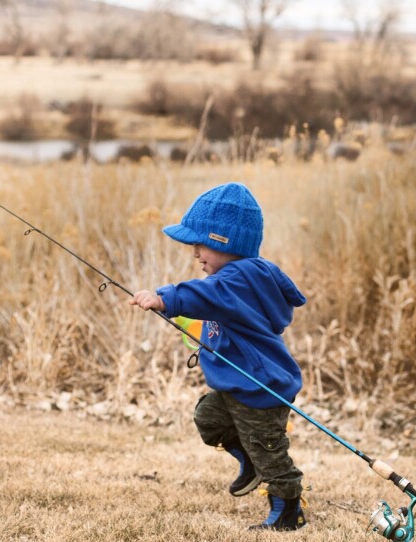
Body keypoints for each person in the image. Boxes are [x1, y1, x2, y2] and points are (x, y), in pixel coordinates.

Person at [129, 182, 307, 531]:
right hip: (238, 387)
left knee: (270, 451)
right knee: (208, 419)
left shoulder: (239, 277)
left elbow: (203, 294)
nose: (195, 253)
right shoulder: (237, 280)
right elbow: (210, 303)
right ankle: (252, 462)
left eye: (200, 244)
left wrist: (165, 298)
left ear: (223, 242)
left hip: (261, 390)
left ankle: (288, 511)